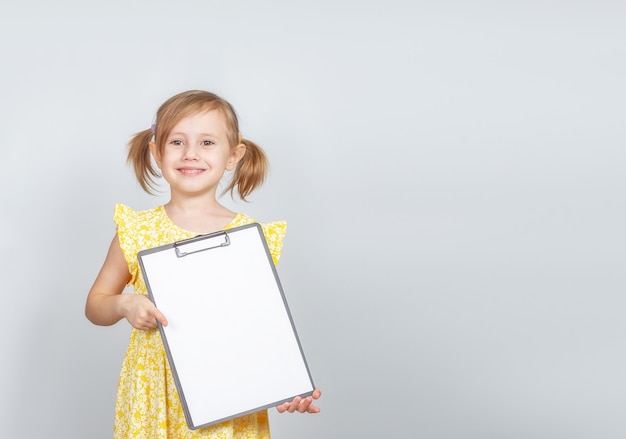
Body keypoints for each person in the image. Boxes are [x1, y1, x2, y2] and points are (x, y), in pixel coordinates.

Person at [85, 90, 321, 438]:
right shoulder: (136, 230)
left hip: (226, 397)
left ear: (234, 154)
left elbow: (259, 327)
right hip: (155, 399)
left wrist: (287, 385)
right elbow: (96, 304)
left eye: (207, 142)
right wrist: (124, 303)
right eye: (177, 141)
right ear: (155, 151)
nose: (190, 153)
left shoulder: (249, 237)